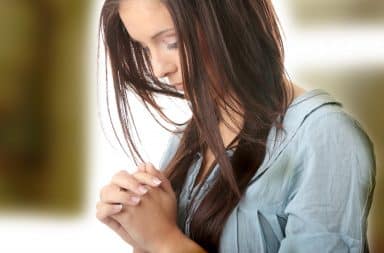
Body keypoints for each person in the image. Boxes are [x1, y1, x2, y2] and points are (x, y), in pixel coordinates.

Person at [95, 0, 376, 252]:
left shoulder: (325, 139)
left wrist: (163, 239)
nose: (158, 69)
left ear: (226, 19)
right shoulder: (189, 136)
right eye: (144, 48)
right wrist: (139, 235)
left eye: (171, 42)